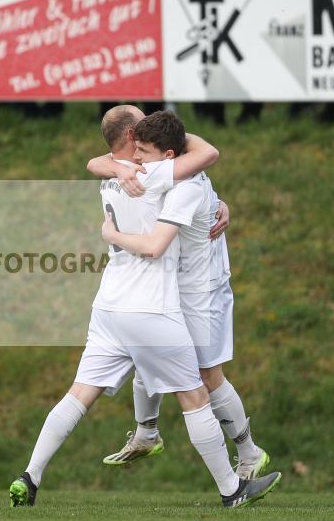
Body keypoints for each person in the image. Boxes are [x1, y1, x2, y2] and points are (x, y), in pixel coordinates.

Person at [9, 108, 281, 508]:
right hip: (153, 305)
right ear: (136, 136)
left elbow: (100, 162)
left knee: (79, 394)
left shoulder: (110, 176)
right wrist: (205, 199)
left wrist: (216, 203)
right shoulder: (157, 176)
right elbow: (204, 156)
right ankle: (232, 487)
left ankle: (29, 477)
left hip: (108, 306)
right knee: (195, 393)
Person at [94, 148, 270, 480]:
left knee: (208, 377)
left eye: (144, 152)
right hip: (179, 287)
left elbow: (155, 243)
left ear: (169, 153)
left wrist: (112, 235)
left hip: (204, 294)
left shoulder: (177, 178)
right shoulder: (171, 170)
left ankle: (249, 452)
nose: (139, 160)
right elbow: (97, 161)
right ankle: (146, 432)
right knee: (151, 351)